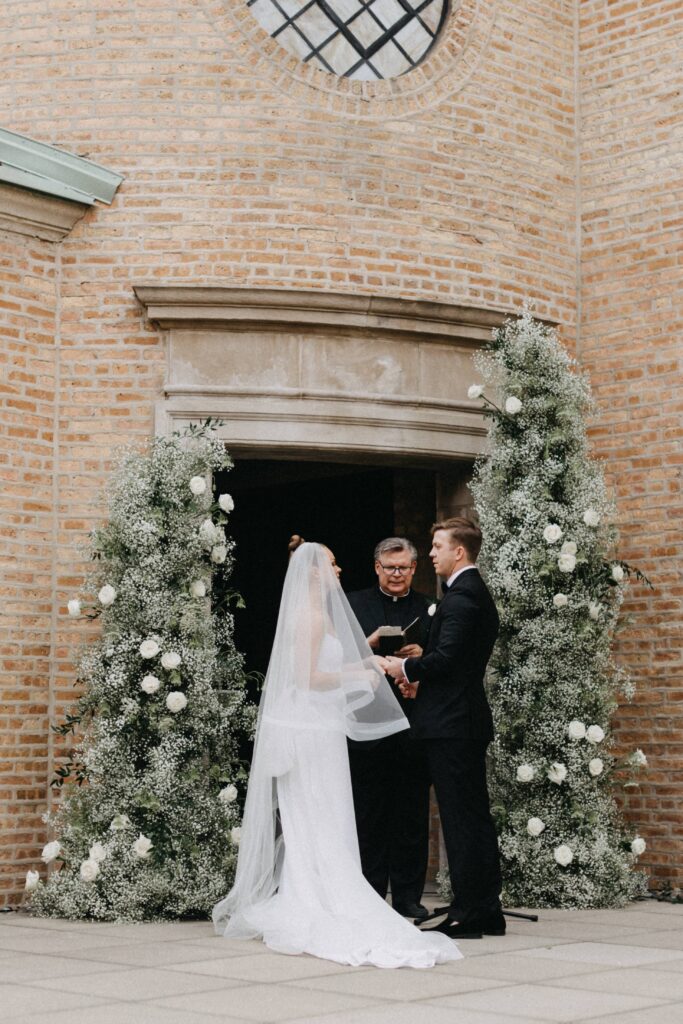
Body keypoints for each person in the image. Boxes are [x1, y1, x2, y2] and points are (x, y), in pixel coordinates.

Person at [213, 541, 460, 969]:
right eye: (332, 563)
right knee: (320, 814)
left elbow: (322, 664)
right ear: (313, 573)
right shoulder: (309, 617)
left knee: (324, 815)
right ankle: (320, 894)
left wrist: (363, 659)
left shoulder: (316, 615)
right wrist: (364, 670)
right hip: (314, 731)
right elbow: (311, 678)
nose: (339, 569)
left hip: (322, 729)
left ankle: (324, 888)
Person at [384, 517, 504, 940]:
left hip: (453, 724)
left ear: (459, 551)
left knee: (462, 821)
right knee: (470, 818)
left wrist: (403, 666)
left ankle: (471, 912)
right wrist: (419, 674)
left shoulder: (463, 596)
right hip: (457, 719)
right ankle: (484, 908)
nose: (431, 553)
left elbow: (449, 659)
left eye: (437, 546)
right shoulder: (462, 593)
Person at [346, 538, 432, 920]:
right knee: (368, 814)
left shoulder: (431, 607)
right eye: (389, 567)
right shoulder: (353, 603)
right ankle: (369, 893)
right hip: (367, 724)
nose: (396, 574)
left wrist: (420, 657)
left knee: (411, 813)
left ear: (414, 569)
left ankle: (409, 897)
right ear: (376, 568)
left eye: (404, 567)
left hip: (414, 723)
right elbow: (338, 657)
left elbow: (445, 658)